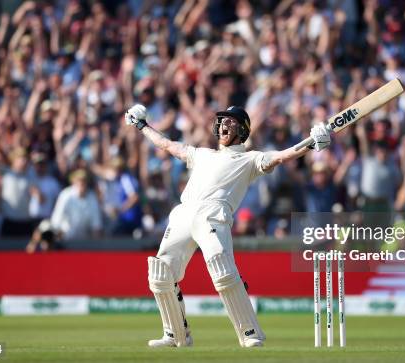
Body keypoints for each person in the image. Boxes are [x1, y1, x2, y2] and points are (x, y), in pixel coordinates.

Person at [125, 104, 330, 348]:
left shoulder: (250, 159)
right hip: (183, 212)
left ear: (242, 130)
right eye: (222, 120)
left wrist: (311, 143)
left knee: (223, 272)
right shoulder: (202, 154)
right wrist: (142, 126)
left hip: (214, 215)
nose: (224, 125)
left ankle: (250, 333)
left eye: (231, 122)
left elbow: (283, 155)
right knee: (160, 274)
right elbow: (168, 145)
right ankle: (176, 335)